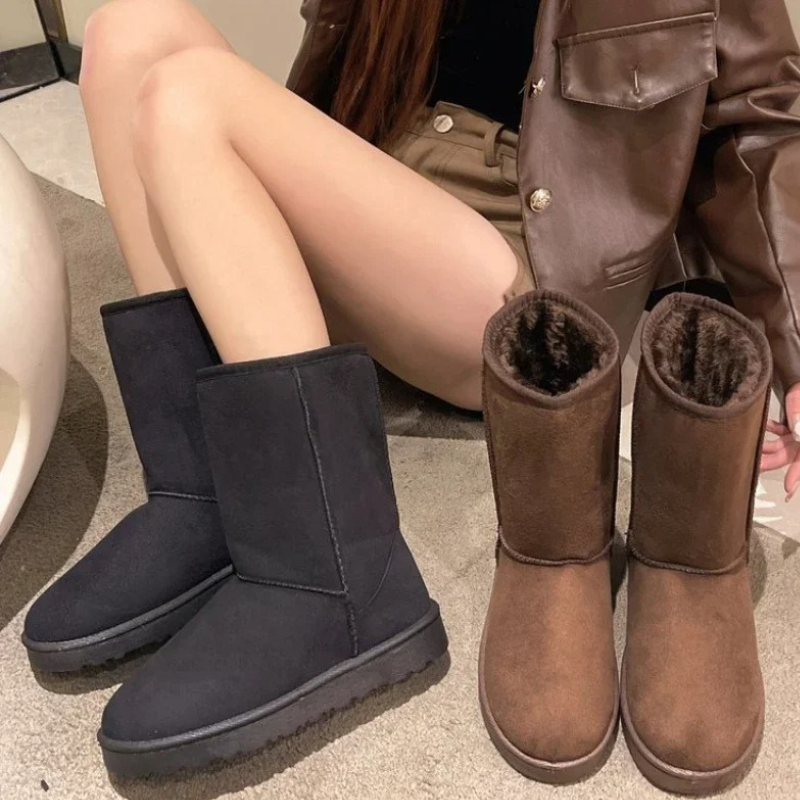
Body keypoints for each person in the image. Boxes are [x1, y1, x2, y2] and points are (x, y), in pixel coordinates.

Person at [21, 0, 800, 779]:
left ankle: (337, 580)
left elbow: (761, 121)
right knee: (129, 32)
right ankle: (209, 495)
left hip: (518, 257)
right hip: (380, 177)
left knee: (188, 96)